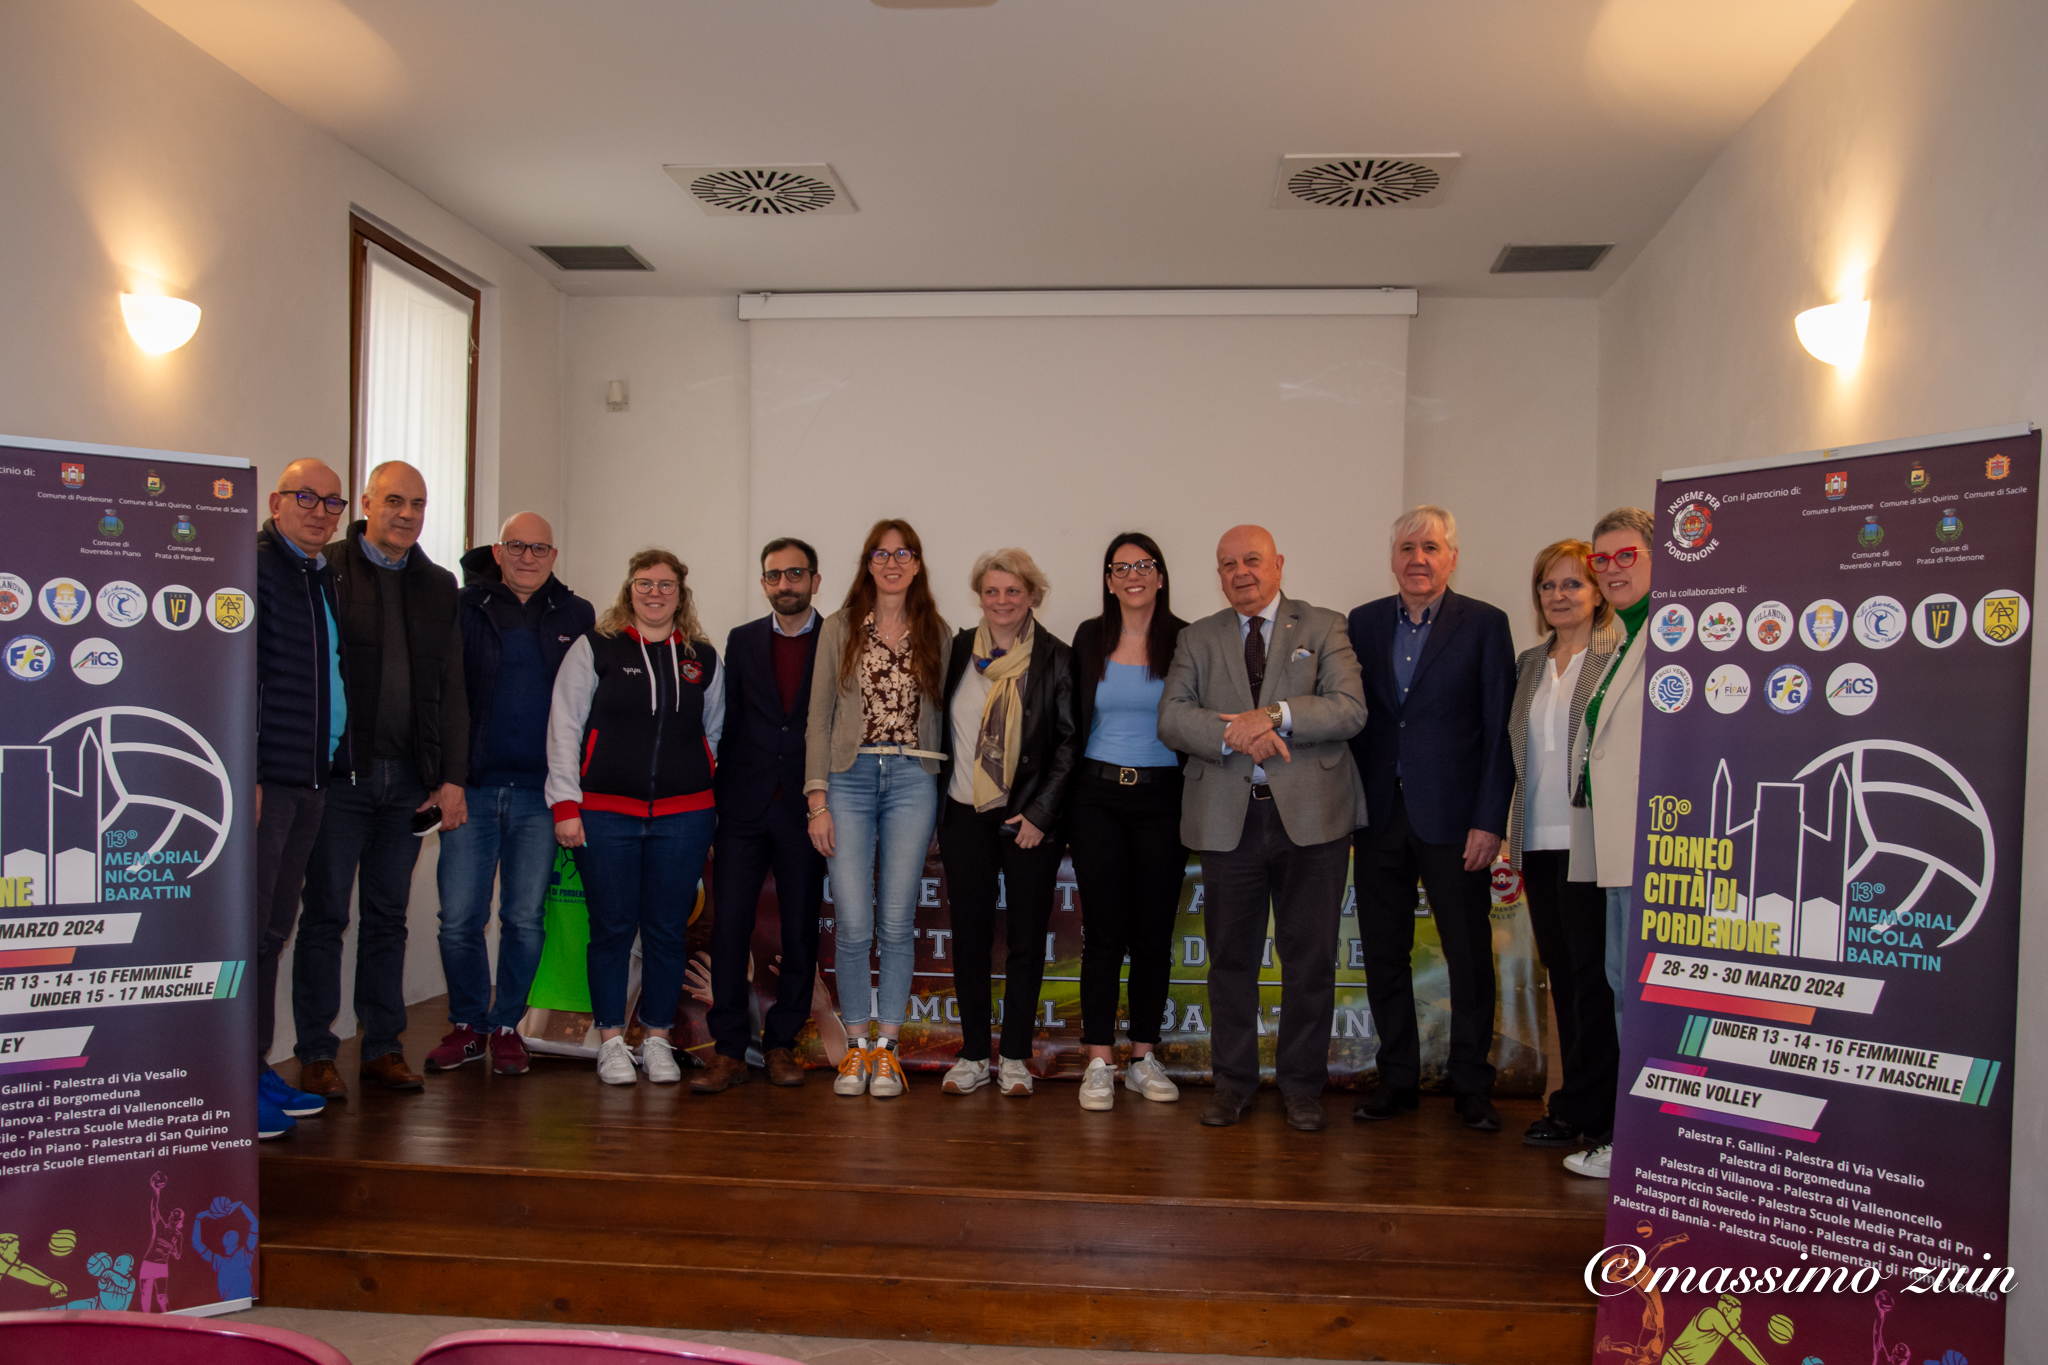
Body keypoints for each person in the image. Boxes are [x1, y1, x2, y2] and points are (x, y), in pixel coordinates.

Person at [1158, 524, 1366, 1131]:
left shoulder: (1324, 625)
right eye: (1227, 564)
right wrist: (1235, 731)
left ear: (1279, 564)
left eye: (1252, 560)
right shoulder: (1198, 637)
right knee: (1230, 962)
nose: (1240, 572)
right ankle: (1233, 1083)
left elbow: (1350, 709)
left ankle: (1302, 1086)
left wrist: (1274, 715)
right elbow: (1172, 718)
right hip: (1230, 821)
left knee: (1311, 960)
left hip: (1313, 820)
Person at [293, 460, 468, 1099]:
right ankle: (315, 1051)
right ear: (366, 502)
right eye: (394, 501)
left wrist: (452, 777)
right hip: (341, 780)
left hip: (409, 785)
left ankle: (384, 1048)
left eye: (418, 504)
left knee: (388, 920)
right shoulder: (326, 570)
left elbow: (453, 690)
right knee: (324, 918)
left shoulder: (438, 584)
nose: (407, 514)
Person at [1348, 506, 1516, 1133]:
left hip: (1455, 821)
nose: (1418, 558)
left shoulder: (1485, 625)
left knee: (1469, 956)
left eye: (1431, 547)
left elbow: (1499, 732)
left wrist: (1488, 819)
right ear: (1392, 557)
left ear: (1452, 557)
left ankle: (1471, 1083)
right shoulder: (1361, 624)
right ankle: (1397, 1079)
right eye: (1408, 547)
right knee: (1385, 955)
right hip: (1379, 818)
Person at [547, 549, 724, 1087]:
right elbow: (564, 728)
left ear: (681, 592)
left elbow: (715, 731)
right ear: (629, 590)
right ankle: (609, 1042)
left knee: (668, 931)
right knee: (612, 931)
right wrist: (565, 805)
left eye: (665, 584)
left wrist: (705, 780)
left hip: (684, 817)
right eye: (644, 583)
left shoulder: (703, 658)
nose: (655, 593)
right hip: (604, 816)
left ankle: (657, 1039)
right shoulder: (594, 649)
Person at [428, 513, 594, 1079]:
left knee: (524, 919)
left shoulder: (577, 615)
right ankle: (468, 1024)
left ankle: (506, 1026)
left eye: (539, 547)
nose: (528, 556)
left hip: (538, 796)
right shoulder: (461, 606)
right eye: (517, 546)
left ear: (554, 553)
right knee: (459, 919)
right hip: (469, 790)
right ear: (498, 551)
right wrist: (444, 776)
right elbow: (442, 695)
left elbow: (583, 712)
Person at [804, 520, 952, 1099]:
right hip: (849, 778)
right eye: (881, 553)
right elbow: (819, 719)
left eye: (904, 553)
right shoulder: (839, 629)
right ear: (868, 563)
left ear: (917, 564)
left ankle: (887, 1051)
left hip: (913, 777)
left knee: (895, 922)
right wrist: (817, 798)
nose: (892, 562)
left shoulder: (936, 630)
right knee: (854, 922)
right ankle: (855, 1049)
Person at [935, 549, 1078, 1098]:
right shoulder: (956, 652)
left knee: (1024, 941)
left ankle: (1014, 1055)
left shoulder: (1056, 658)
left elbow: (1069, 745)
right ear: (979, 597)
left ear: (1032, 597)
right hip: (964, 813)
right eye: (992, 592)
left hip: (1028, 821)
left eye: (1013, 591)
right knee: (968, 938)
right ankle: (973, 1054)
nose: (1001, 602)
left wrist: (1041, 813)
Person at [700, 537, 829, 1092]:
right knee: (729, 927)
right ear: (763, 583)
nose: (785, 584)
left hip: (807, 808)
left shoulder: (838, 640)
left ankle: (780, 1045)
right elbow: (727, 725)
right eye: (774, 576)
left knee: (800, 932)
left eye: (795, 574)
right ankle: (728, 1049)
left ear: (815, 581)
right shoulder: (742, 640)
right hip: (742, 807)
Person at [1066, 532, 1190, 1111]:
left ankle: (1143, 1056)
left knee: (1152, 936)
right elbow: (1070, 724)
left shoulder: (1185, 640)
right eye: (1120, 567)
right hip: (1096, 798)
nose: (1132, 575)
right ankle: (1098, 1059)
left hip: (1164, 800)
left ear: (1160, 576)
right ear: (1109, 579)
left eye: (1143, 565)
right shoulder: (1091, 636)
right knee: (1104, 934)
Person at [1505, 540, 1619, 1155]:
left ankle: (1603, 1115)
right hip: (1538, 842)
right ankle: (1574, 1104)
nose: (1559, 596)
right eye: (1549, 586)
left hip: (1592, 843)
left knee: (1594, 978)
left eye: (1573, 584)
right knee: (1564, 980)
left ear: (1598, 593)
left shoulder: (1620, 659)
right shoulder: (1529, 663)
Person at [252, 457, 352, 1139]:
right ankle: (232, 1081)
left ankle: (252, 1065)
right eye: (306, 497)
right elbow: (235, 675)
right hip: (268, 782)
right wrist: (246, 772)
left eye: (331, 502)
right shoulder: (255, 569)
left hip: (312, 779)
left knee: (270, 934)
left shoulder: (319, 576)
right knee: (250, 932)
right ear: (276, 500)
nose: (319, 511)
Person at [1565, 505, 1656, 1180]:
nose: (1612, 569)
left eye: (1626, 556)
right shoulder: (1626, 636)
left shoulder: (1676, 634)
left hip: (1650, 850)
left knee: (1638, 996)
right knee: (1622, 989)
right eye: (1603, 559)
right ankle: (1634, 1138)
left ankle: (1642, 1146)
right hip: (1613, 844)